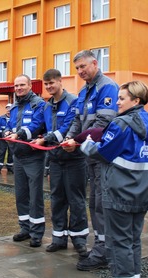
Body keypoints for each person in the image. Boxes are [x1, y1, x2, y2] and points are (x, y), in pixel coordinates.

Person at [78, 80, 148, 278]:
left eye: (122, 98)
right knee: (133, 241)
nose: (117, 102)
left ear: (136, 100)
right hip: (141, 194)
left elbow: (102, 152)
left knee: (119, 244)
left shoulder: (121, 124)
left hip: (119, 193)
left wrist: (85, 144)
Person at [63, 50, 119, 270]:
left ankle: (104, 252)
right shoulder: (85, 90)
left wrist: (76, 141)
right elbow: (78, 120)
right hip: (90, 154)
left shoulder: (107, 87)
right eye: (76, 68)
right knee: (95, 202)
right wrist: (70, 137)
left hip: (102, 156)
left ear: (95, 63)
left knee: (101, 203)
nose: (79, 72)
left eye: (82, 67)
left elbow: (103, 123)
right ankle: (101, 248)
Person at [33, 69, 89, 256]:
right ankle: (59, 238)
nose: (49, 86)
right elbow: (39, 125)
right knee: (57, 199)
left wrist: (46, 138)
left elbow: (70, 126)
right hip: (56, 160)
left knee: (77, 200)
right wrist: (23, 134)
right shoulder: (47, 106)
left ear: (60, 81)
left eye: (52, 83)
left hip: (75, 159)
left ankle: (79, 239)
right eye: (46, 84)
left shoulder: (74, 102)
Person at [4, 74, 46, 248]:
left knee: (35, 195)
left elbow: (38, 125)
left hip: (33, 156)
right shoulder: (14, 107)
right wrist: (6, 133)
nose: (18, 88)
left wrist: (19, 135)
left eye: (22, 85)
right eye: (16, 86)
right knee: (21, 194)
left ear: (30, 86)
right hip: (18, 156)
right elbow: (8, 125)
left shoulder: (38, 104)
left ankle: (37, 233)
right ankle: (25, 228)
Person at [0, 104, 14, 173]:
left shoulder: (14, 118)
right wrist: (2, 134)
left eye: (10, 110)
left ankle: (10, 167)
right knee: (1, 152)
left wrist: (11, 134)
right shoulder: (1, 118)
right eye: (7, 110)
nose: (8, 111)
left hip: (11, 138)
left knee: (11, 152)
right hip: (3, 138)